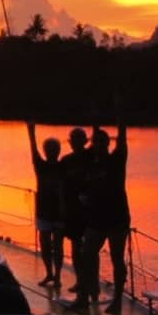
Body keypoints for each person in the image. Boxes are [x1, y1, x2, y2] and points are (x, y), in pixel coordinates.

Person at [79, 118, 130, 314]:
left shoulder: (117, 159)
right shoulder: (92, 164)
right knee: (87, 254)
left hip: (117, 218)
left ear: (108, 144)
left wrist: (120, 113)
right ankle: (85, 296)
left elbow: (122, 138)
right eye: (96, 142)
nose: (98, 145)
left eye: (102, 142)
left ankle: (117, 301)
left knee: (117, 258)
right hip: (97, 218)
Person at [27, 122, 64, 287]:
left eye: (53, 149)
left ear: (58, 151)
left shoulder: (64, 166)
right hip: (43, 210)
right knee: (45, 244)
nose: (51, 152)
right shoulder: (40, 165)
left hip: (59, 211)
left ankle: (57, 276)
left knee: (58, 245)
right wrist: (31, 132)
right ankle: (50, 273)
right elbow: (33, 149)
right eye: (49, 149)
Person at [58, 127, 92, 305]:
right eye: (72, 139)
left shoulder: (91, 158)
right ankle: (80, 281)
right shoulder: (66, 161)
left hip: (89, 211)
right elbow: (61, 186)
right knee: (76, 247)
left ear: (85, 141)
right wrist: (62, 208)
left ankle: (91, 285)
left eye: (79, 139)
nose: (75, 142)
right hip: (72, 211)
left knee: (90, 250)